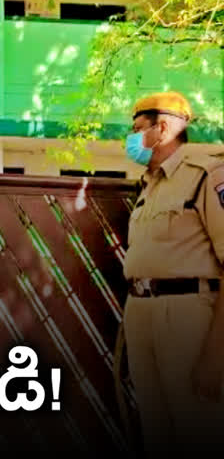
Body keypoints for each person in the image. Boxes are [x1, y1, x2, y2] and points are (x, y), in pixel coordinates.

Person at [121, 91, 224, 454]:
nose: (130, 140)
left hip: (186, 313)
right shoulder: (148, 187)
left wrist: (216, 355)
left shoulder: (206, 176)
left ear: (162, 128)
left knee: (196, 426)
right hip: (141, 311)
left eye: (137, 129)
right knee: (157, 432)